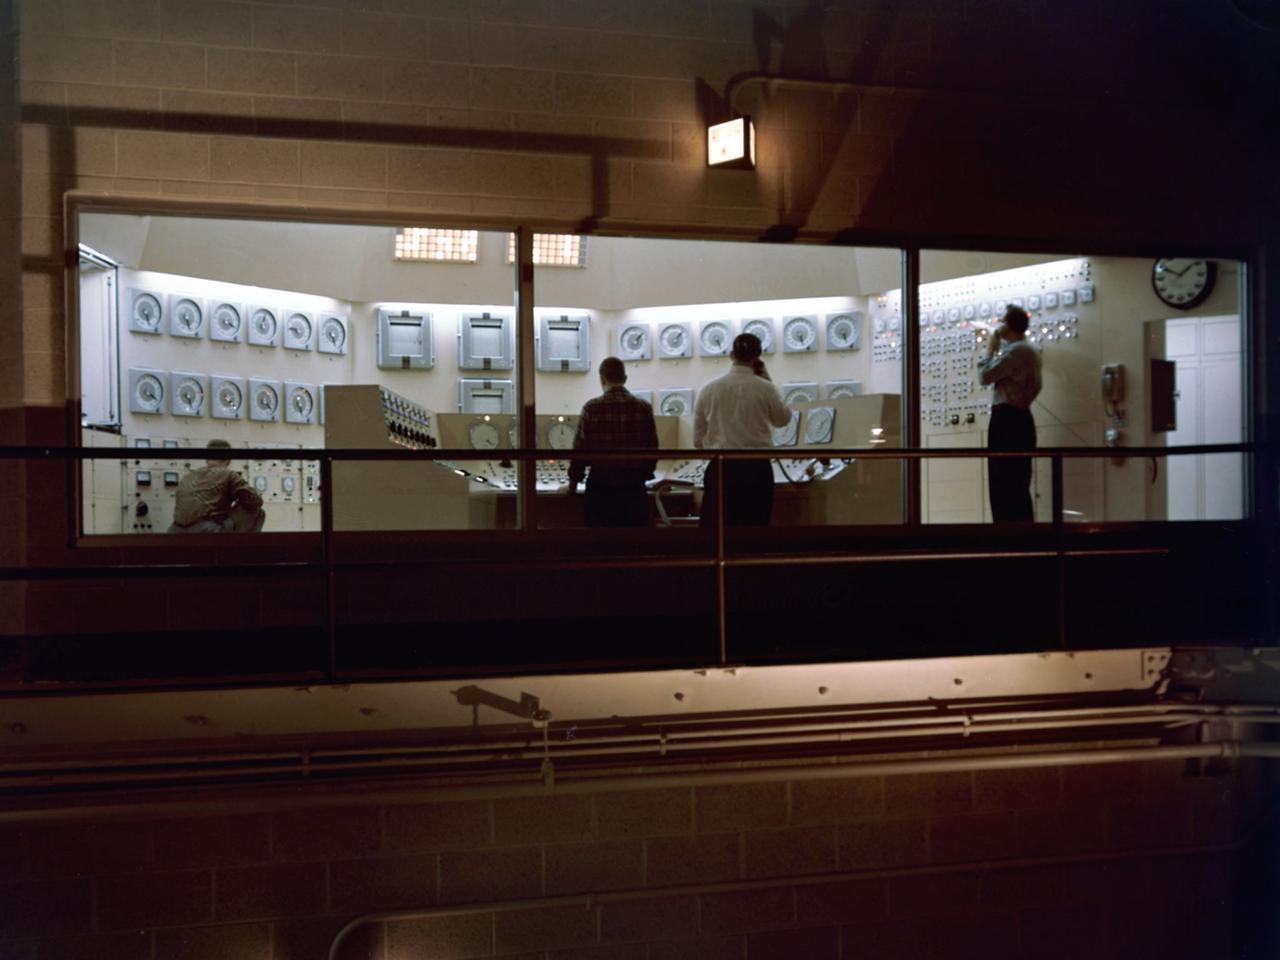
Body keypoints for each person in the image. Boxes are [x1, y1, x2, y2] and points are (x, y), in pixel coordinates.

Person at [693, 332, 792, 526]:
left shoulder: (708, 389)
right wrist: (767, 378)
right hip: (757, 469)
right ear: (757, 358)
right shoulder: (766, 388)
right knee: (755, 527)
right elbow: (782, 420)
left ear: (731, 355)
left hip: (721, 468)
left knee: (720, 529)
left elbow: (698, 441)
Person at [567, 356, 659, 527]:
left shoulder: (591, 408)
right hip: (633, 487)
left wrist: (572, 485)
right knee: (632, 546)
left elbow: (579, 451)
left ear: (602, 378)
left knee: (600, 544)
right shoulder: (644, 407)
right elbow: (652, 448)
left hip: (601, 487)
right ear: (625, 379)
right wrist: (643, 475)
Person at [977, 305, 1043, 522]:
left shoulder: (1016, 352)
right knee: (1018, 483)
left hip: (1007, 422)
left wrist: (990, 348)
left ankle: (1007, 537)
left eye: (1002, 321)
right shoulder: (1028, 350)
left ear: (1008, 324)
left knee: (1002, 484)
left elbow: (984, 376)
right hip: (1020, 420)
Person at [168, 439, 266, 533]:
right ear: (229, 460)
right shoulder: (228, 474)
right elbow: (256, 500)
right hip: (206, 532)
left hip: (175, 531)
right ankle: (244, 549)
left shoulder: (188, 476)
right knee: (257, 511)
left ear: (206, 458)